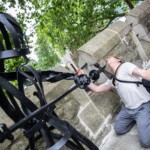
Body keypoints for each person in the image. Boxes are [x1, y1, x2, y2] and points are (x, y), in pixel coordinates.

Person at [77, 56, 150, 148]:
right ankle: (140, 120)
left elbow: (143, 73)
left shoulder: (126, 66)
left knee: (146, 142)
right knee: (119, 129)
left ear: (118, 60)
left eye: (110, 58)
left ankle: (144, 117)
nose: (108, 60)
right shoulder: (113, 80)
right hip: (128, 109)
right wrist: (83, 77)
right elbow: (97, 89)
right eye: (107, 60)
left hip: (142, 106)